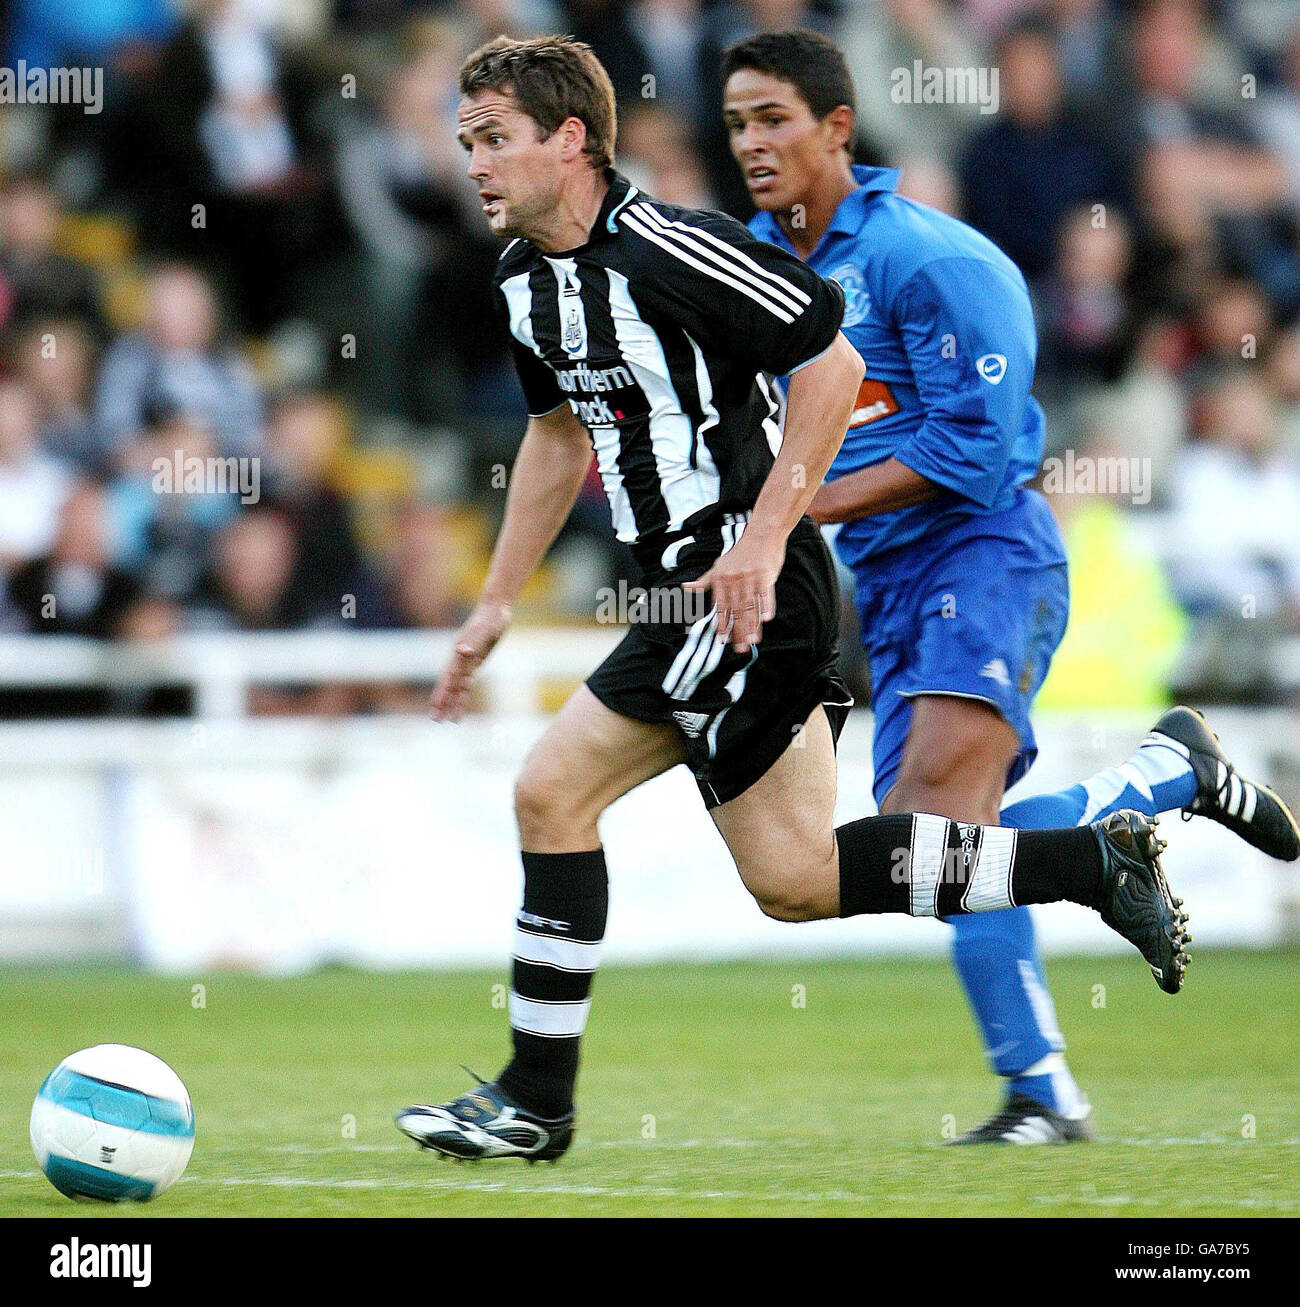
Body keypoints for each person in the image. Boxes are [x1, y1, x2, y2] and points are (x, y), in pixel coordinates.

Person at [393, 34, 1193, 1166]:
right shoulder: (524, 282)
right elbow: (555, 434)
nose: (470, 163)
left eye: (491, 139)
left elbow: (821, 371)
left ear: (568, 141)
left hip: (739, 590)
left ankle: (535, 1098)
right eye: (464, 140)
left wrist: (764, 537)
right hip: (696, 592)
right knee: (796, 880)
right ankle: (1087, 862)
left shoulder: (679, 248)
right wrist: (493, 602)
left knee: (550, 789)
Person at [719, 28, 1299, 1144]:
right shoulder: (751, 267)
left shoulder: (931, 260)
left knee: (940, 831)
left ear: (838, 128)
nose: (751, 141)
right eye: (736, 120)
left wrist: (786, 514)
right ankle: (1155, 784)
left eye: (773, 117)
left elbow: (976, 454)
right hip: (885, 585)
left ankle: (1042, 1081)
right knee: (936, 854)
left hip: (981, 555)